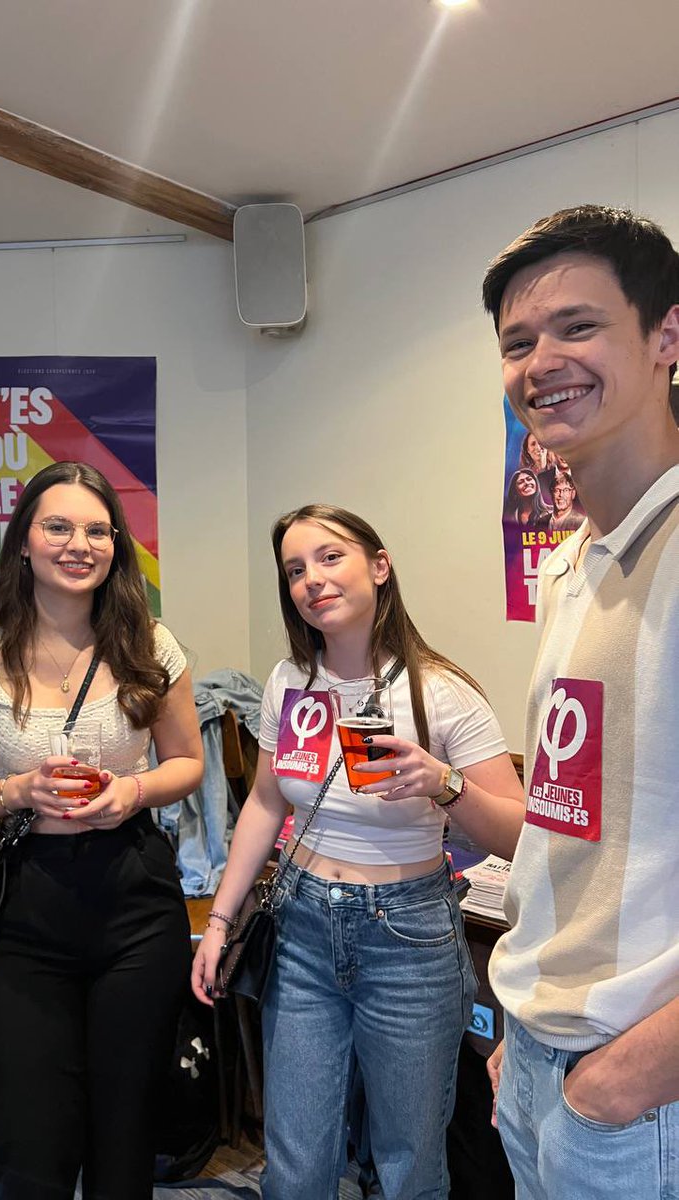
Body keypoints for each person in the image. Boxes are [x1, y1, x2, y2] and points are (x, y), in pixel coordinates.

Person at [192, 503, 524, 1200]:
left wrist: (444, 783)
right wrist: (220, 921)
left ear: (379, 566)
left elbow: (519, 834)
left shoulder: (441, 691)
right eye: (294, 570)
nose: (312, 579)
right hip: (304, 927)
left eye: (331, 557)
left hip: (408, 935)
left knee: (408, 1165)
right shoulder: (291, 682)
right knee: (296, 1165)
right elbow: (264, 803)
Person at [0, 461, 203, 1200]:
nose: (78, 543)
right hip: (27, 903)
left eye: (96, 529)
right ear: (23, 541)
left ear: (116, 545)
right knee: (30, 1136)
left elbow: (187, 763)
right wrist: (16, 790)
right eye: (57, 526)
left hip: (136, 894)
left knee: (126, 1130)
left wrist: (132, 791)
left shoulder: (151, 642)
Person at [482, 204, 679, 1200]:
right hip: (541, 1057)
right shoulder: (570, 566)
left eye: (578, 326)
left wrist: (624, 1079)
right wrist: (526, 1036)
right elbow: (570, 826)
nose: (541, 359)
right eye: (519, 342)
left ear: (666, 337)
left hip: (640, 1092)